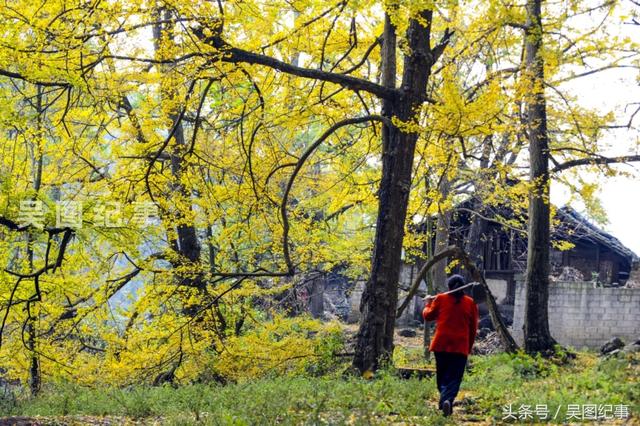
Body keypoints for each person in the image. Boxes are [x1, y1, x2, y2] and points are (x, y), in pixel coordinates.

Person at [422, 274, 479, 417]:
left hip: (441, 344)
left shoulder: (440, 299)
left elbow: (428, 316)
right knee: (454, 377)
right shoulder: (470, 303)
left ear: (449, 287)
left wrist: (428, 303)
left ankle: (444, 401)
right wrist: (469, 347)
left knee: (442, 375)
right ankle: (447, 400)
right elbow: (473, 328)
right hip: (460, 346)